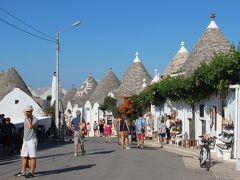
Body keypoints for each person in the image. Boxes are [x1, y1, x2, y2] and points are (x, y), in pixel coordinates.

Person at [15, 105, 38, 178]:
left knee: (32, 157)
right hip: (25, 140)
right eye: (26, 111)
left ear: (31, 111)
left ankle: (31, 172)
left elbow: (30, 126)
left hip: (32, 140)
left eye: (29, 111)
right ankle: (23, 172)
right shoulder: (26, 119)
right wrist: (23, 138)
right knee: (23, 156)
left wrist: (27, 118)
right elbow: (25, 129)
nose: (27, 112)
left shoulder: (35, 119)